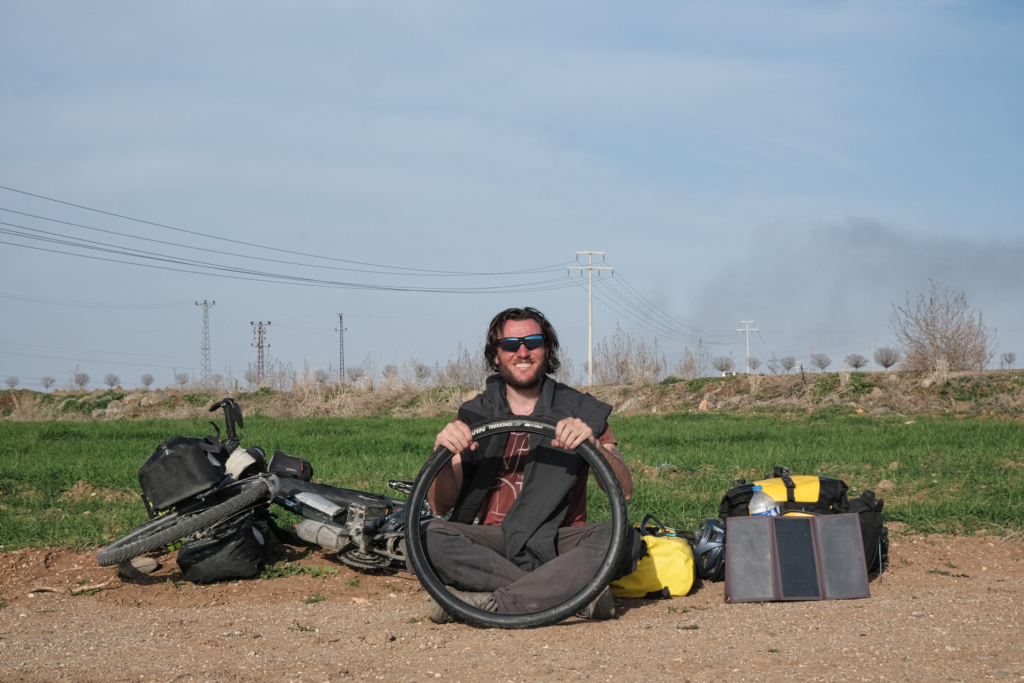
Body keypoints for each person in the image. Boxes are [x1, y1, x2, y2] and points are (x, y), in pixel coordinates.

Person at [420, 307, 643, 623]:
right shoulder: (473, 414)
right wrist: (441, 456)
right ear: (496, 355)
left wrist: (592, 444)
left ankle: (488, 605)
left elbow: (626, 491)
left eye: (532, 342)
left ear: (546, 349)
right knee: (427, 536)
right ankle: (569, 597)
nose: (522, 352)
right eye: (510, 344)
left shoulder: (579, 410)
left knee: (622, 538)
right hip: (492, 541)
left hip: (559, 538)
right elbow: (440, 503)